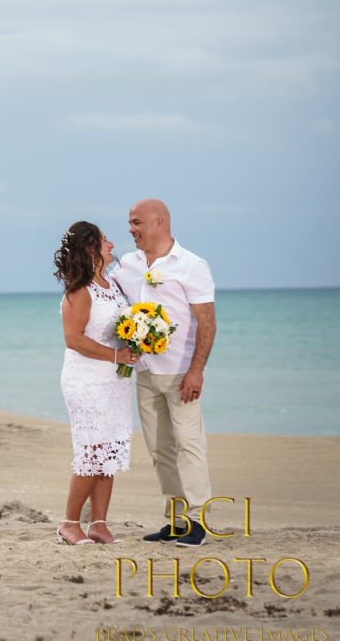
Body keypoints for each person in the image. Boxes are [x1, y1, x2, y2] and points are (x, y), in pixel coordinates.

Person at [111, 199, 216, 547]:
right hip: (143, 372)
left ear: (158, 223)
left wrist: (196, 370)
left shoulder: (191, 265)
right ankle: (175, 521)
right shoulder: (128, 264)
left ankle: (197, 520)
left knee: (189, 444)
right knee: (159, 450)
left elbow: (207, 322)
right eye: (129, 223)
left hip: (180, 375)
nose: (130, 230)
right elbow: (104, 289)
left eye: (136, 222)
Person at [53, 221, 138, 545]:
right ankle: (69, 523)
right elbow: (73, 339)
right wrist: (116, 357)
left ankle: (99, 524)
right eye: (105, 241)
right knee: (92, 451)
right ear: (91, 249)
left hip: (114, 380)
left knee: (110, 451)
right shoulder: (79, 290)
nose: (112, 245)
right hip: (85, 379)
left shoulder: (111, 285)